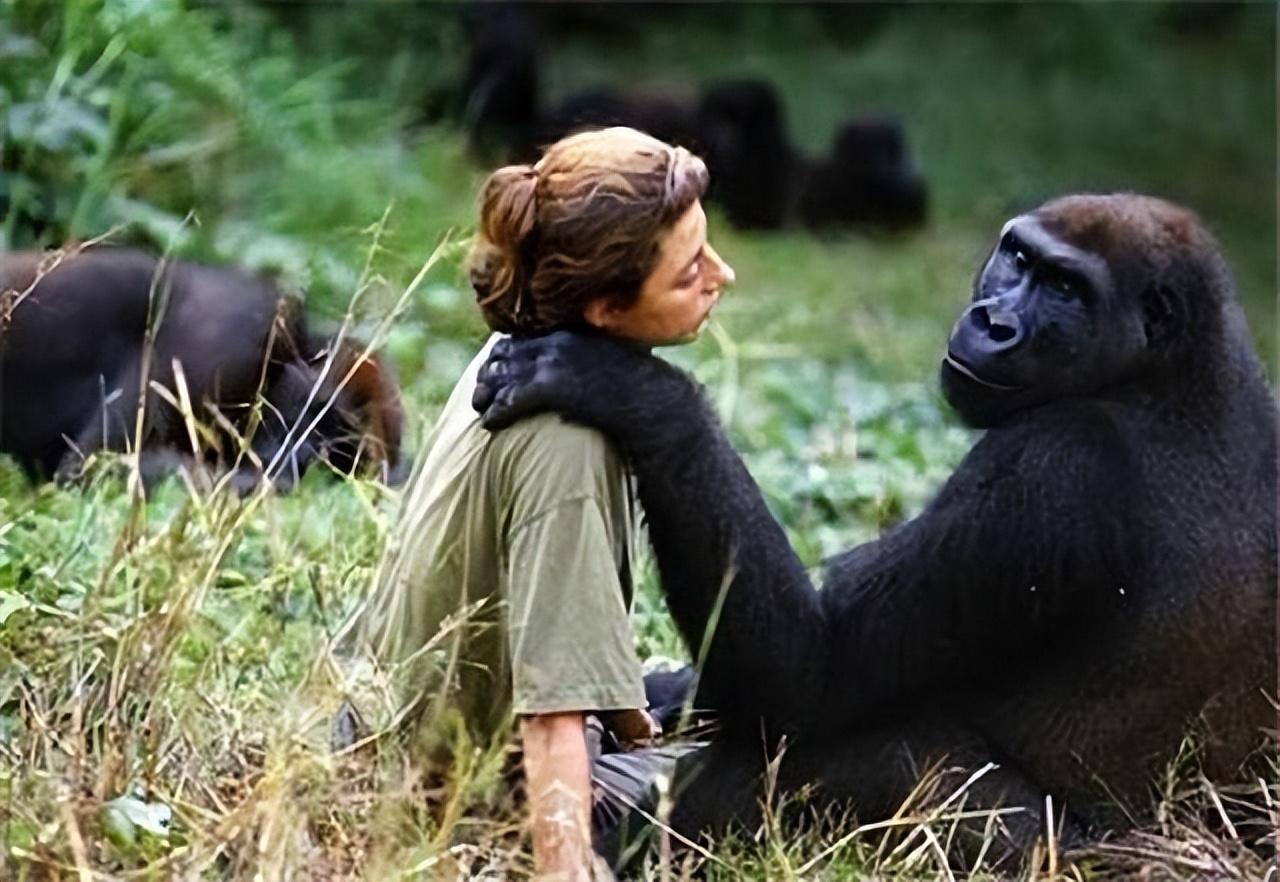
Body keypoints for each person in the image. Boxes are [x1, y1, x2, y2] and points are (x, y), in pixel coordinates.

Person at [341, 127, 734, 880]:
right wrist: (564, 863)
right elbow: (553, 718)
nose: (724, 276)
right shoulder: (566, 440)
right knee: (794, 762)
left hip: (386, 727)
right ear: (606, 308)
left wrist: (627, 716)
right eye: (690, 273)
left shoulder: (519, 351)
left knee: (728, 695)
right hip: (466, 790)